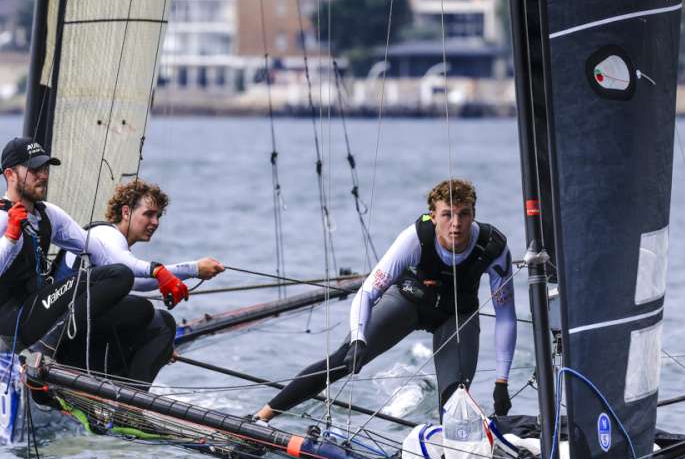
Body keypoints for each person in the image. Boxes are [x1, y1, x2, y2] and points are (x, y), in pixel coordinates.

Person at [253, 178, 517, 422]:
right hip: (408, 302)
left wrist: (502, 381)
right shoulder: (414, 238)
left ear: (474, 214)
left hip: (456, 316)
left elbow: (505, 315)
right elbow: (367, 291)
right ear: (433, 216)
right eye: (447, 214)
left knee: (456, 398)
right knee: (343, 360)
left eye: (464, 214)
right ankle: (261, 417)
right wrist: (358, 339)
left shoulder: (492, 247)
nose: (456, 224)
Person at [0, 138, 182, 389]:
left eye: (46, 168)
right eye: (35, 170)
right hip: (15, 323)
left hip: (40, 311)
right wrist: (10, 238)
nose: (43, 175)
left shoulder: (48, 215)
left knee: (155, 318)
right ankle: (44, 352)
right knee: (118, 276)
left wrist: (156, 270)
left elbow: (101, 254)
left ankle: (126, 402)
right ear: (10, 174)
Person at [53, 178, 225, 384]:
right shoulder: (106, 235)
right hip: (64, 333)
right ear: (126, 212)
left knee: (160, 326)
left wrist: (192, 272)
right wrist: (192, 268)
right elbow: (127, 265)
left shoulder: (114, 245)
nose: (155, 222)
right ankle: (131, 401)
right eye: (148, 214)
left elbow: (138, 282)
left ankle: (121, 392)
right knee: (147, 313)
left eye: (158, 216)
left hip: (72, 333)